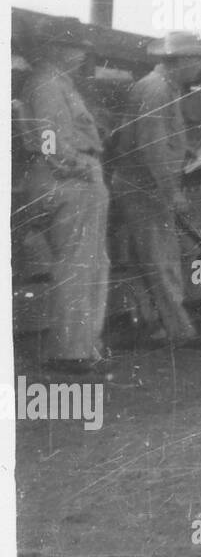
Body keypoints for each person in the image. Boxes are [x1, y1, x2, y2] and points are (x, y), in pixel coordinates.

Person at [20, 21, 113, 374]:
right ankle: (71, 350)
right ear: (57, 49)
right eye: (75, 48)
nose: (81, 55)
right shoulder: (47, 83)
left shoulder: (58, 83)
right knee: (77, 264)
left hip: (75, 177)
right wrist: (77, 166)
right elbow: (49, 139)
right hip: (67, 180)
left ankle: (83, 345)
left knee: (89, 263)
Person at [110, 31, 201, 348]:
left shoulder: (162, 88)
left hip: (145, 185)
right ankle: (179, 331)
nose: (199, 67)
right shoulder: (157, 90)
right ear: (181, 61)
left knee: (156, 259)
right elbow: (153, 147)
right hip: (146, 188)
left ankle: (162, 326)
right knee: (162, 259)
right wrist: (172, 192)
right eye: (196, 59)